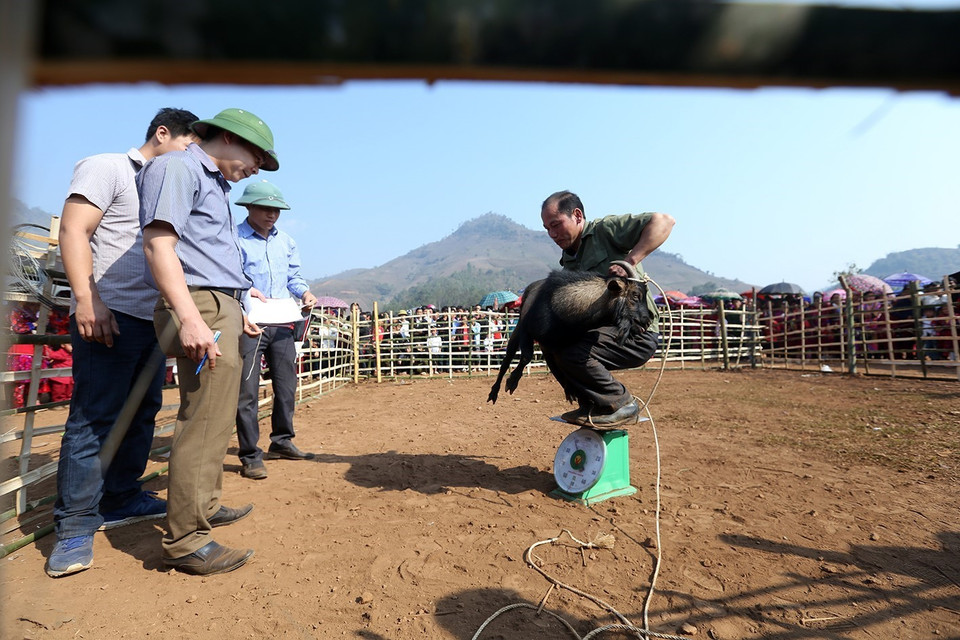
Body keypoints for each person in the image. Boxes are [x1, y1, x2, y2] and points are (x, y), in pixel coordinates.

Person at [45, 108, 199, 579]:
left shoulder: (169, 184)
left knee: (142, 412)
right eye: (189, 147)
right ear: (162, 133)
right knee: (95, 419)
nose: (191, 158)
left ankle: (121, 496)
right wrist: (88, 299)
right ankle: (75, 526)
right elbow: (74, 229)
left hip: (151, 319)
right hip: (109, 315)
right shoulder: (109, 167)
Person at [138, 108, 278, 576]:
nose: (257, 168)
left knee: (216, 419)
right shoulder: (178, 167)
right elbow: (159, 244)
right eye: (257, 156)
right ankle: (186, 542)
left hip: (218, 305)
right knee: (202, 421)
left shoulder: (211, 182)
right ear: (228, 138)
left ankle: (205, 506)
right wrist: (191, 317)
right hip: (200, 306)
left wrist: (237, 310)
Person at [540, 190, 675, 428]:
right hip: (602, 334)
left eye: (556, 225)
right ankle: (593, 404)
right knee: (551, 344)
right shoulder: (569, 260)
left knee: (574, 352)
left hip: (636, 333)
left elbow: (664, 221)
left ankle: (621, 404)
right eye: (547, 228)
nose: (552, 234)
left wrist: (630, 261)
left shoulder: (605, 231)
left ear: (577, 215)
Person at [234, 180, 317, 480]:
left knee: (286, 385)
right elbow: (231, 276)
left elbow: (293, 276)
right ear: (249, 207)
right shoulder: (234, 239)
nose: (272, 215)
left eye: (277, 210)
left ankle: (282, 440)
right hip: (250, 322)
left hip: (282, 321)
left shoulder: (287, 242)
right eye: (265, 209)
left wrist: (304, 292)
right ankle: (249, 454)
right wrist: (246, 292)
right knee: (247, 390)